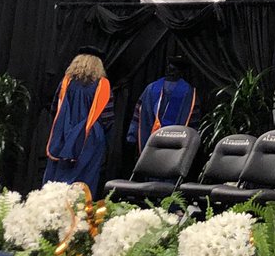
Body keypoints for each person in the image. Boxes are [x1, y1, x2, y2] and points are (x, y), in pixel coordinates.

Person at [44, 46, 114, 197]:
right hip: (90, 138)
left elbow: (54, 108)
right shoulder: (103, 85)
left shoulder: (66, 83)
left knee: (57, 176)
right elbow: (107, 118)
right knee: (84, 179)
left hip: (62, 133)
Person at [126, 53, 199, 151]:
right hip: (176, 143)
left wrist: (132, 135)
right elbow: (193, 122)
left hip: (149, 140)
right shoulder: (189, 92)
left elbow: (137, 114)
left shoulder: (151, 88)